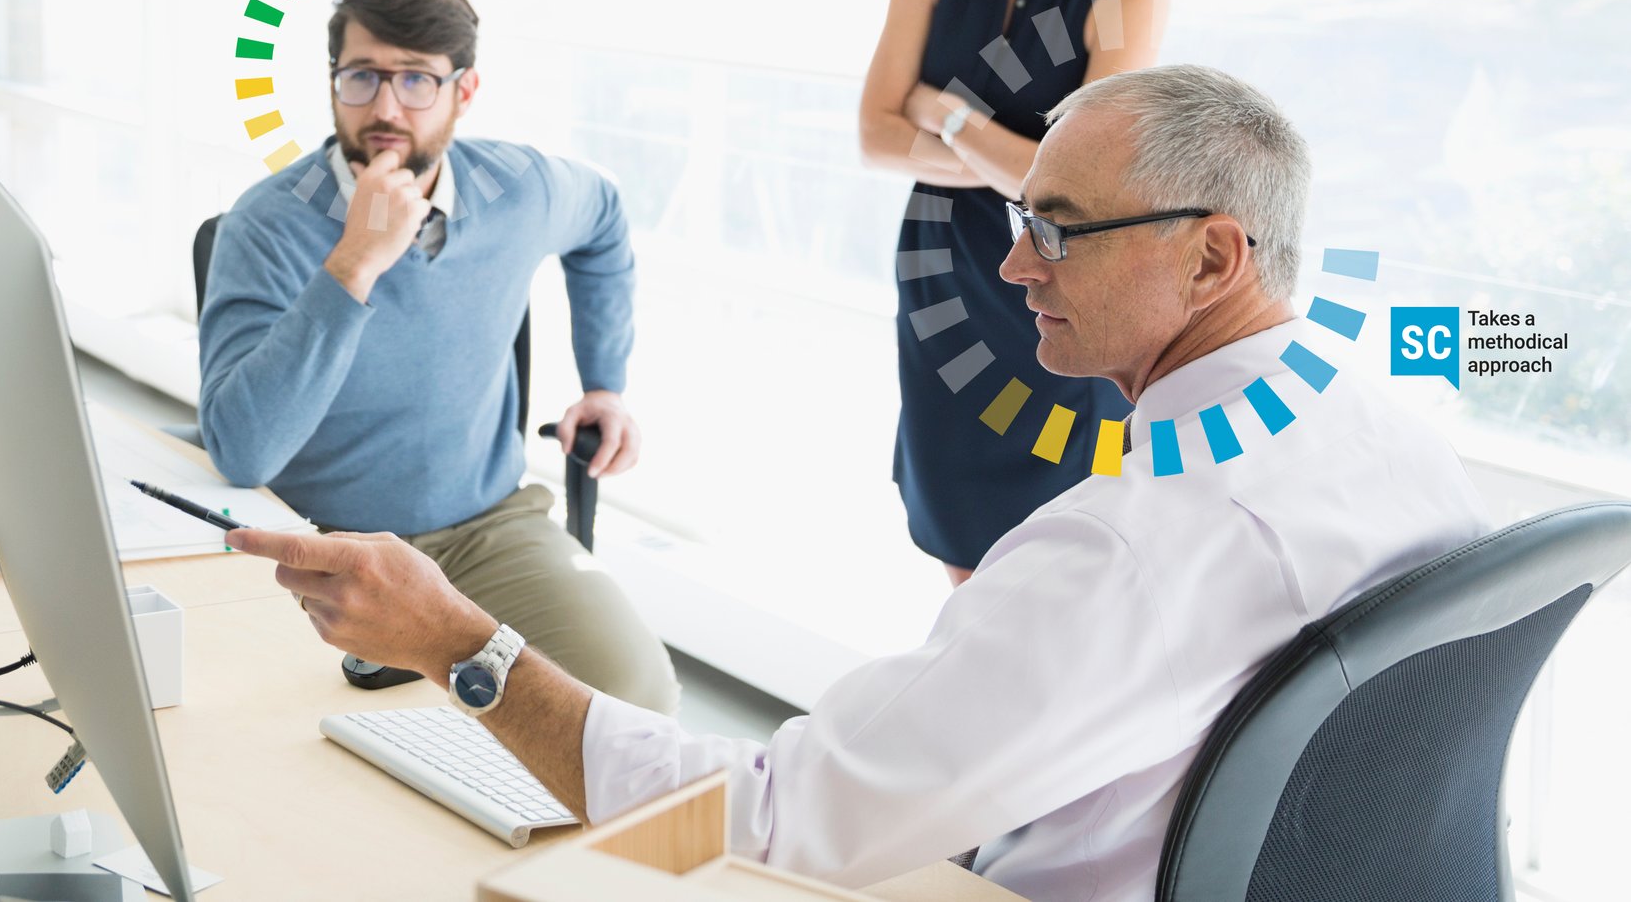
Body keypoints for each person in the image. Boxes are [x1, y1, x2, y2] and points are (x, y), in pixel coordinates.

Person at [231, 67, 1490, 902]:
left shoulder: (1132, 543)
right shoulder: (1396, 434)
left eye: (1055, 227)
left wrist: (458, 643)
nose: (1012, 261)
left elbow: (776, 827)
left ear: (1213, 253)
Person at [197, 0, 678, 713]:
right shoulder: (266, 224)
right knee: (289, 744)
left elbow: (605, 219)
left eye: (417, 80)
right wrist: (353, 263)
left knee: (636, 695)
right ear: (332, 83)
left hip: (486, 528)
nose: (386, 107)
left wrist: (604, 382)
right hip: (324, 544)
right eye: (362, 76)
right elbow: (242, 451)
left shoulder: (521, 188)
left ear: (464, 91)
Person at [861, 0, 1173, 581]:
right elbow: (876, 132)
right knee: (961, 552)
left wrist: (948, 115)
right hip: (944, 277)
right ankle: (976, 716)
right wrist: (1016, 161)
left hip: (1063, 292)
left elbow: (1078, 186)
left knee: (1069, 560)